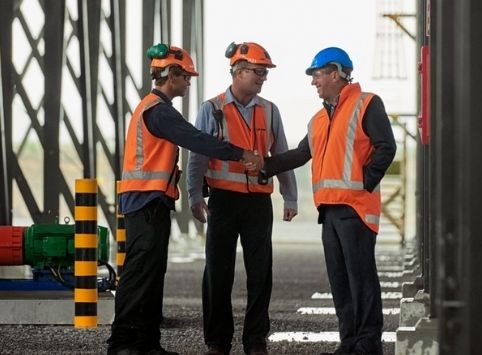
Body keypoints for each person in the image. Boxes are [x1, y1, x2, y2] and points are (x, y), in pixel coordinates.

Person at [106, 43, 262, 355]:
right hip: (145, 201)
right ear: (171, 75)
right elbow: (196, 139)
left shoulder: (156, 108)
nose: (189, 81)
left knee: (151, 274)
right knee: (139, 275)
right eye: (186, 76)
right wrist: (239, 153)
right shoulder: (158, 111)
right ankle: (122, 344)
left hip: (153, 201)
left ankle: (147, 344)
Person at [260, 47, 396, 355]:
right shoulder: (318, 119)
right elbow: (300, 154)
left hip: (355, 208)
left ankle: (368, 345)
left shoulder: (367, 104)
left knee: (361, 279)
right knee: (340, 281)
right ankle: (349, 343)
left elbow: (386, 147)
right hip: (329, 211)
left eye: (317, 75)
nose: (314, 82)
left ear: (337, 73)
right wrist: (264, 167)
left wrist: (364, 183)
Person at [186, 41, 298, 355]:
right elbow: (198, 155)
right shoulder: (212, 109)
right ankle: (218, 341)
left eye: (265, 72)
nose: (262, 77)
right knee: (218, 273)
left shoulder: (269, 110)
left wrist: (290, 196)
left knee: (260, 273)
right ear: (237, 71)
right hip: (222, 201)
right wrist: (195, 194)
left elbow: (282, 155)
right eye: (257, 71)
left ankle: (255, 340)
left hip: (258, 203)